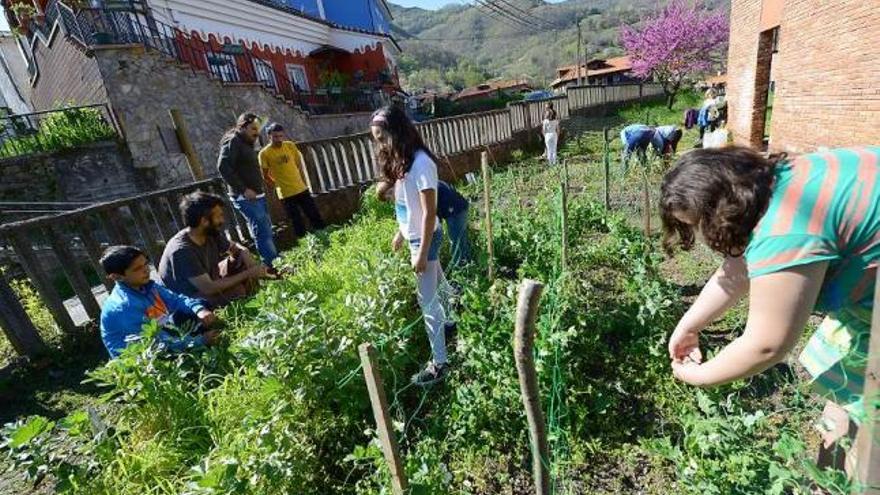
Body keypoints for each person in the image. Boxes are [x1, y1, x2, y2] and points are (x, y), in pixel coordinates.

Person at [660, 145, 880, 474]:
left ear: (717, 209)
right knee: (847, 397)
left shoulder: (788, 227)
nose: (705, 236)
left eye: (699, 224)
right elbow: (736, 270)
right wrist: (689, 326)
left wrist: (697, 376)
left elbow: (767, 344)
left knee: (870, 441)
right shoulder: (779, 180)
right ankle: (834, 474)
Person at [370, 105, 454, 386]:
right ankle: (452, 321)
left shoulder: (421, 164)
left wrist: (420, 252)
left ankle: (439, 364)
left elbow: (430, 213)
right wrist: (401, 232)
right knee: (440, 285)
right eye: (376, 139)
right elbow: (409, 206)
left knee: (427, 302)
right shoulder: (403, 161)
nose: (379, 144)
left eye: (382, 137)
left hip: (425, 240)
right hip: (417, 237)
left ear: (396, 131)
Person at [99, 245, 223, 358]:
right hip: (142, 359)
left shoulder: (148, 286)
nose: (146, 270)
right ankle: (195, 344)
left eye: (146, 264)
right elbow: (153, 344)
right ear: (116, 277)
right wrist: (199, 342)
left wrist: (199, 310)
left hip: (163, 331)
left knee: (200, 305)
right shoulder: (124, 307)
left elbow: (177, 301)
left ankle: (195, 338)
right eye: (137, 269)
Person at [159, 191, 269, 308]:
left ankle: (255, 289)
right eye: (219, 216)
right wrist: (248, 273)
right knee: (238, 291)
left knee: (240, 259)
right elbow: (208, 288)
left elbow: (235, 248)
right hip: (190, 297)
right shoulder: (182, 251)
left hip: (209, 277)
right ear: (204, 221)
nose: (222, 220)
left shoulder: (209, 232)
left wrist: (245, 253)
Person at [217, 112, 280, 275]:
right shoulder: (233, 141)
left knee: (266, 228)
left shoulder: (245, 142)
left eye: (258, 129)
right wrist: (243, 189)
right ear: (242, 126)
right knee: (262, 231)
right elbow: (223, 167)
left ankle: (274, 262)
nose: (256, 132)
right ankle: (273, 266)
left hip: (256, 195)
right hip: (246, 197)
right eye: (253, 128)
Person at [377, 178, 472, 267]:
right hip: (443, 208)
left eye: (390, 192)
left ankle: (463, 271)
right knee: (455, 241)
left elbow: (420, 218)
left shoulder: (410, 190)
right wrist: (400, 235)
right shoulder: (406, 193)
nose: (392, 198)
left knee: (457, 243)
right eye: (388, 198)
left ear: (395, 185)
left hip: (455, 207)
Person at [258, 122, 325, 239]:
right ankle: (304, 242)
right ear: (269, 136)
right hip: (285, 193)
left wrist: (298, 178)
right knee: (296, 220)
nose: (278, 139)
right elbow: (265, 174)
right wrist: (276, 184)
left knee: (313, 213)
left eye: (280, 136)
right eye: (275, 137)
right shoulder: (264, 153)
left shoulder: (289, 145)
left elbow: (298, 164)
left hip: (300, 187)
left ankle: (323, 233)